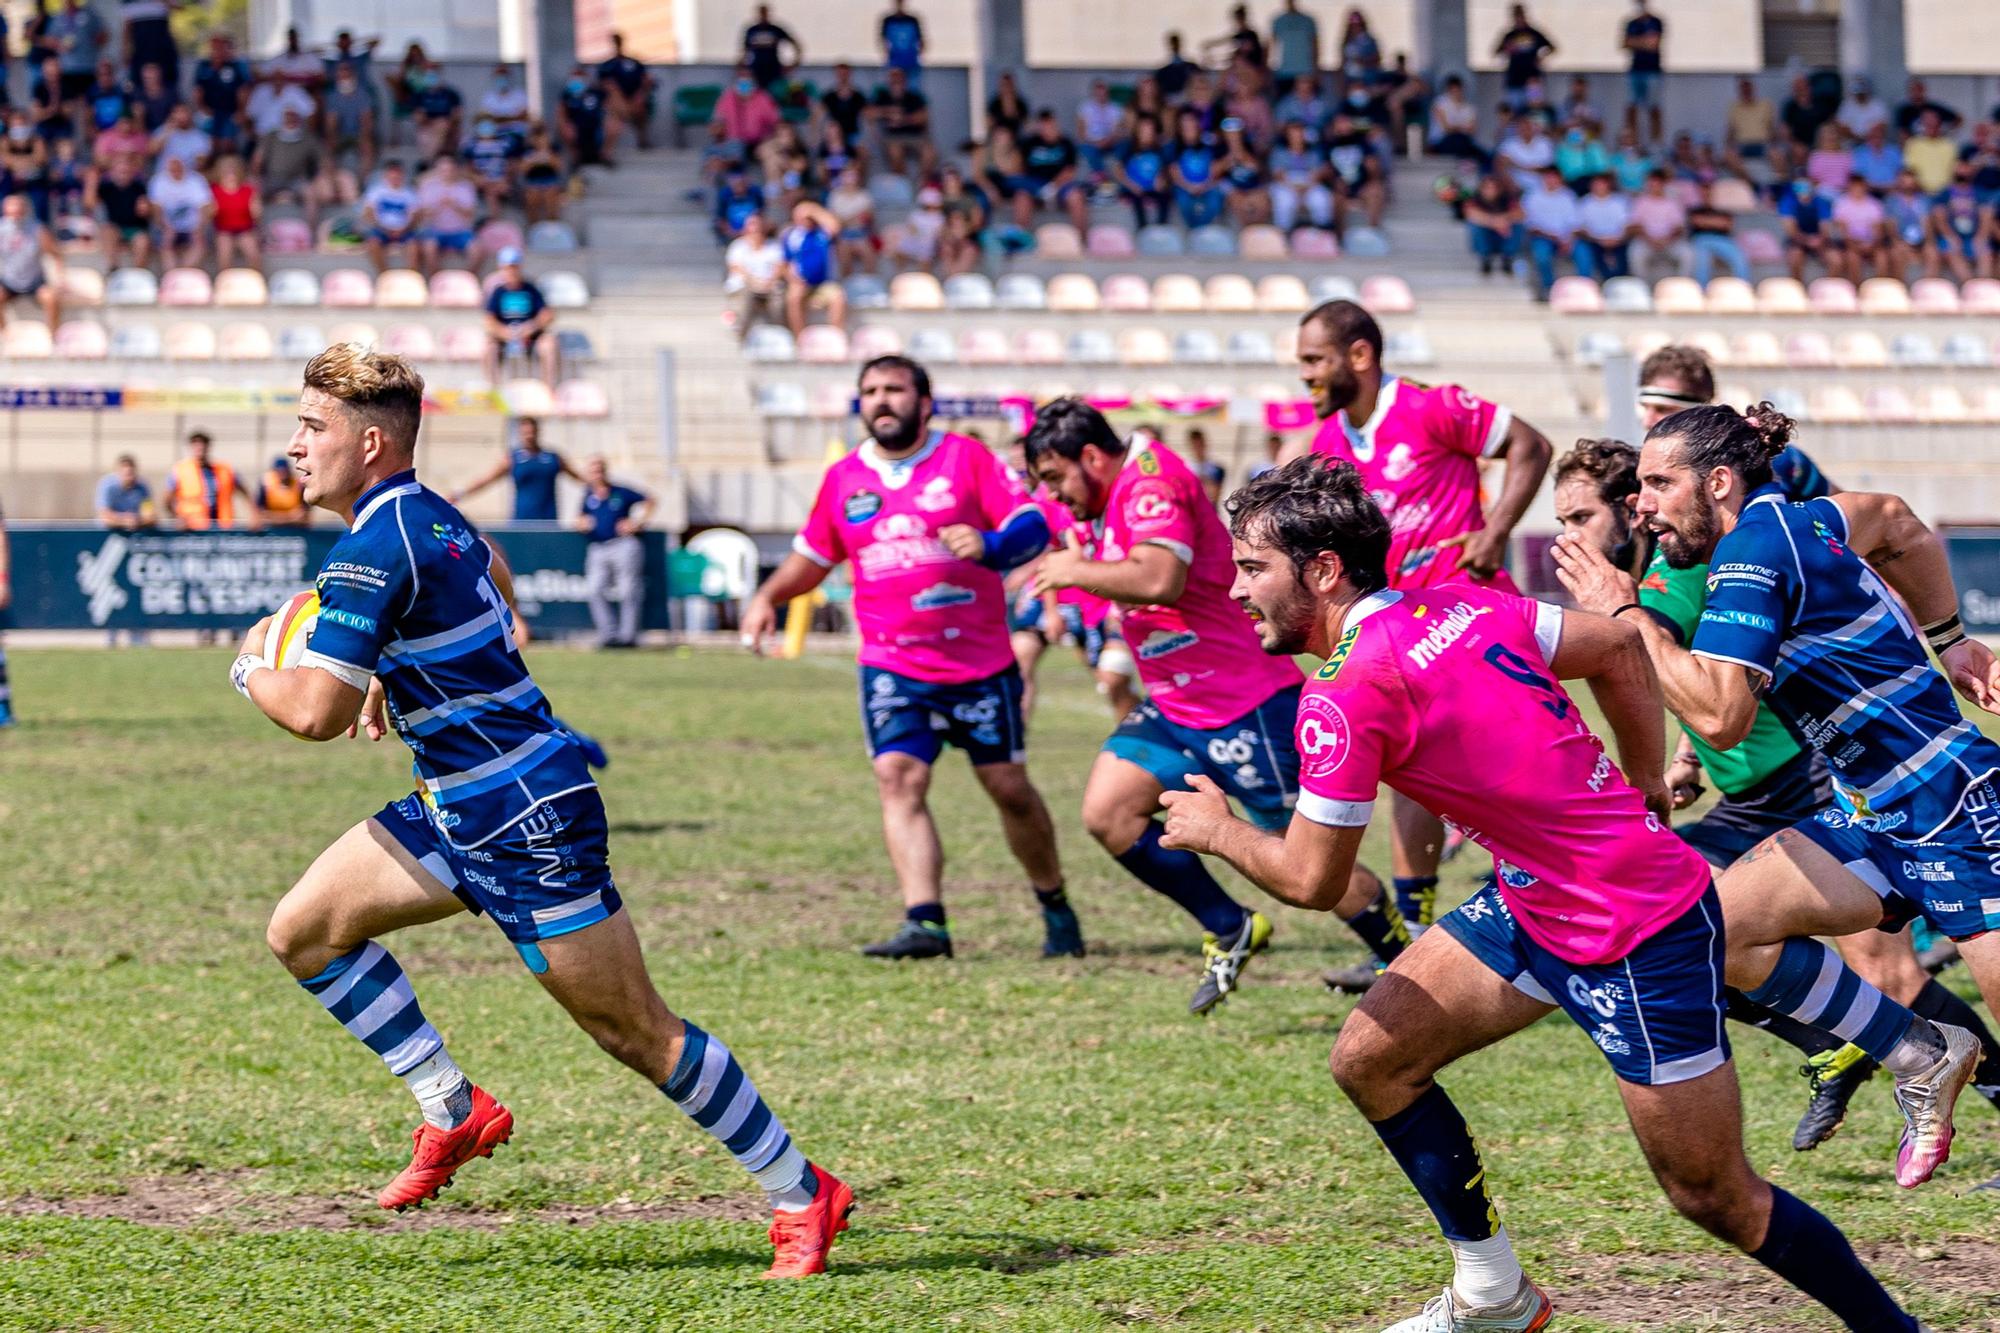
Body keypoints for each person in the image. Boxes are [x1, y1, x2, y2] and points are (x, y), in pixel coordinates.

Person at [1164, 453, 1933, 1333]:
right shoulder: (1456, 602)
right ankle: (1493, 1294)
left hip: (1631, 930)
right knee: (1371, 1059)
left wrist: (1216, 828)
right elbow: (1613, 647)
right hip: (1537, 902)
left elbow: (1311, 879)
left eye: (1253, 568)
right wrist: (1644, 782)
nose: (1234, 589)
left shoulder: (1341, 695)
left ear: (1323, 571)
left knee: (1715, 1195)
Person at [231, 344, 852, 1274]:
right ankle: (453, 1106)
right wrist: (397, 671)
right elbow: (497, 579)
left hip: (526, 817)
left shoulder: (371, 545)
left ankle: (805, 1190)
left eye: (311, 427)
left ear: (369, 442)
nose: (293, 445)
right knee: (305, 931)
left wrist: (249, 667)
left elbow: (313, 713)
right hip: (457, 803)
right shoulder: (427, 517)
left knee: (635, 1030)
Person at [1552, 401, 2000, 1193]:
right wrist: (1951, 637)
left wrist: (1624, 613)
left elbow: (1723, 716)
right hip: (1872, 814)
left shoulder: (1752, 553)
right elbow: (1895, 520)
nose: (1642, 502)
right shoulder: (1802, 518)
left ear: (1717, 481)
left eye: (1659, 482)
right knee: (1711, 933)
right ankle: (1922, 1054)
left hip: (1953, 807)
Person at [1025, 408, 1406, 1013]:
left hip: (1244, 703)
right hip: (1176, 704)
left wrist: (1076, 572)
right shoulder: (1103, 502)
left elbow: (1159, 579)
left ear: (1091, 459)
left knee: (1309, 864)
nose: (1053, 494)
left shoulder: (1149, 481)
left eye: (1055, 477)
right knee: (1108, 812)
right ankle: (1230, 925)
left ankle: (1401, 957)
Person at [740, 355, 1078, 962]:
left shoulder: (967, 460)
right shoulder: (844, 478)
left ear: (925, 402)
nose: (881, 400)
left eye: (894, 389)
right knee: (899, 778)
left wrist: (993, 545)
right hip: (892, 665)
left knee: (1009, 788)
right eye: (870, 391)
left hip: (979, 665)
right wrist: (768, 595)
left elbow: (1032, 524)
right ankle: (926, 923)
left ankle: (1054, 902)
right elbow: (813, 557)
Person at [1300, 299, 1553, 959]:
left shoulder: (1431, 405)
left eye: (1315, 360)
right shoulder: (1329, 444)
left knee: (1516, 773)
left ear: (1360, 355)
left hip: (1468, 622)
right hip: (1397, 637)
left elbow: (1531, 444)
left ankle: (1558, 906)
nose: (1306, 377)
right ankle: (1415, 938)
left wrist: (1495, 531)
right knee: (1411, 777)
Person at [575, 456, 652, 650]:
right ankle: (608, 635)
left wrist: (637, 523)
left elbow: (650, 500)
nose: (597, 474)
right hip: (598, 546)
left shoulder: (620, 492)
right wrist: (581, 523)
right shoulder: (588, 495)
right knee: (595, 589)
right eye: (593, 471)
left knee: (628, 590)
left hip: (623, 545)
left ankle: (628, 636)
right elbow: (580, 517)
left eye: (600, 470)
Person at [450, 417, 578, 523]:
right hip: (522, 520)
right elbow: (486, 480)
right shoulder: (513, 458)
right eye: (525, 433)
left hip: (548, 520)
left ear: (538, 432)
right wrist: (459, 494)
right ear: (520, 434)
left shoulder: (552, 458)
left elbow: (578, 476)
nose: (529, 436)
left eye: (532, 432)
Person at [779, 200, 846, 337]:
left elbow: (835, 226)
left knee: (838, 297)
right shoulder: (791, 235)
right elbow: (784, 264)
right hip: (801, 283)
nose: (806, 219)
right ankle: (800, 338)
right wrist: (793, 279)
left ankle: (835, 337)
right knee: (793, 297)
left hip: (823, 282)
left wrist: (813, 210)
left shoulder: (821, 233)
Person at [165, 431, 256, 531]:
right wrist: (178, 518)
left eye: (203, 444)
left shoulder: (225, 469)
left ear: (208, 446)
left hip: (222, 527)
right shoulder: (181, 470)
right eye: (196, 444)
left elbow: (245, 491)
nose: (200, 448)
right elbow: (167, 500)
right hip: (192, 528)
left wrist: (254, 514)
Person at [0, 193, 61, 334]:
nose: (16, 211)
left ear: (25, 209)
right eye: (12, 207)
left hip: (35, 281)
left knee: (51, 299)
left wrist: (60, 278)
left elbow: (55, 255)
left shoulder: (38, 229)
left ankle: (53, 338)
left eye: (19, 207)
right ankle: (4, 336)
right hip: (10, 281)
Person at [1521, 163, 1580, 299]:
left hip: (1567, 238)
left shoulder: (1569, 196)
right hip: (1542, 237)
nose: (1551, 181)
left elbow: (1575, 223)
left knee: (1584, 253)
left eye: (1554, 178)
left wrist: (1568, 240)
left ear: (1560, 179)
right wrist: (1551, 236)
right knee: (1542, 254)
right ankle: (1549, 289)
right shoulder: (1532, 196)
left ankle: (1586, 289)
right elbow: (1530, 225)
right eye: (1548, 177)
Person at [723, 210, 785, 334]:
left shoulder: (774, 246)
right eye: (752, 224)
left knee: (779, 301)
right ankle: (742, 333)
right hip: (746, 285)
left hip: (768, 285)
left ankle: (778, 332)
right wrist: (753, 281)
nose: (755, 229)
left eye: (758, 225)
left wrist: (769, 282)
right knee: (747, 297)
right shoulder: (738, 246)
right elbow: (735, 267)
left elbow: (780, 267)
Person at [416, 156, 479, 273]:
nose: (447, 173)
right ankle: (436, 280)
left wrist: (455, 205)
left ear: (455, 170)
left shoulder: (466, 187)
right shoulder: (428, 187)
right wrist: (438, 206)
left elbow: (470, 214)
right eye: (443, 170)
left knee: (477, 249)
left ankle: (469, 278)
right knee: (429, 248)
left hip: (460, 230)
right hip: (435, 230)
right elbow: (422, 214)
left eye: (450, 169)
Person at [89, 153, 151, 269]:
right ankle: (113, 268)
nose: (124, 169)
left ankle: (138, 273)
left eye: (127, 166)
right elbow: (90, 203)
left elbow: (146, 211)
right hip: (115, 229)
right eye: (120, 166)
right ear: (112, 170)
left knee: (142, 241)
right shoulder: (106, 187)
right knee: (108, 230)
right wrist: (92, 181)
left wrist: (146, 208)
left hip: (135, 229)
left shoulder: (140, 187)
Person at [869, 66, 932, 178]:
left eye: (899, 79)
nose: (896, 82)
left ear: (905, 81)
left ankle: (922, 184)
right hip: (893, 138)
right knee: (895, 152)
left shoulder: (913, 97)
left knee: (929, 152)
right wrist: (889, 112)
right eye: (894, 79)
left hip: (914, 137)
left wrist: (903, 119)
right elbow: (870, 113)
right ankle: (904, 184)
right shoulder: (883, 97)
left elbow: (923, 117)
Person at [598, 33, 657, 151]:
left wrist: (639, 95)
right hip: (616, 102)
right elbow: (604, 84)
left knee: (640, 107)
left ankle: (643, 140)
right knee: (615, 105)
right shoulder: (607, 65)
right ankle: (607, 150)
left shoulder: (633, 63)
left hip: (635, 100)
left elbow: (646, 80)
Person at [1684, 180, 1750, 286]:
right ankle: (1702, 291)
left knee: (1740, 257)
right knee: (1702, 261)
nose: (1707, 194)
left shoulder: (1723, 209)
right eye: (1704, 192)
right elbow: (1696, 221)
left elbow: (1727, 225)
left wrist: (1706, 222)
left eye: (1709, 191)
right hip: (1701, 239)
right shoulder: (1695, 209)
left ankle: (1743, 287)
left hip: (1723, 240)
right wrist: (1716, 222)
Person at [1493, 4, 1554, 113]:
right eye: (1517, 17)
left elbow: (1552, 47)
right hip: (1514, 80)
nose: (1519, 19)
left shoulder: (1534, 33)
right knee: (1515, 113)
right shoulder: (1509, 36)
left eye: (1521, 16)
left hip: (1533, 80)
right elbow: (1496, 52)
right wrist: (1507, 50)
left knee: (1536, 111)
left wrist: (1541, 57)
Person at [362, 160, 420, 272]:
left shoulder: (409, 193)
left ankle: (412, 277)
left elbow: (414, 216)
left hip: (404, 230)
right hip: (381, 229)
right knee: (373, 243)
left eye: (398, 175)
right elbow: (369, 213)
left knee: (414, 246)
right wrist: (383, 228)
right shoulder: (376, 191)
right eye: (392, 175)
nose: (395, 178)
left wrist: (403, 229)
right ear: (386, 176)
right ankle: (384, 274)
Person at [1463, 173, 1523, 278]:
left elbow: (1520, 214)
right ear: (1481, 188)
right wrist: (1495, 222)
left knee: (1518, 225)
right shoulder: (1475, 199)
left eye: (1493, 188)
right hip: (1486, 237)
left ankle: (1507, 257)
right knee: (1474, 225)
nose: (1490, 190)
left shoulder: (1507, 199)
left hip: (1503, 236)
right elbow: (1471, 214)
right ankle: (1485, 257)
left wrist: (1503, 220)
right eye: (1487, 187)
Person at [1620, 0, 1664, 144]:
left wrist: (1636, 42)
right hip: (1636, 71)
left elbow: (1653, 44)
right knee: (1632, 107)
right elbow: (1625, 43)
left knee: (1654, 107)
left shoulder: (1656, 21)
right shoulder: (1632, 23)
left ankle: (1655, 143)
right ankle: (1632, 142)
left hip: (1652, 71)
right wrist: (1644, 42)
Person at [1777, 175, 1835, 282]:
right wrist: (1806, 240)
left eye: (1805, 185)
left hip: (1819, 239)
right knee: (1794, 257)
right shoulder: (1787, 202)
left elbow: (1825, 228)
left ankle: (1826, 289)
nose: (1803, 188)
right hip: (1798, 240)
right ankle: (1798, 289)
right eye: (1799, 185)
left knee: (1836, 260)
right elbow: (1791, 229)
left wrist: (1819, 240)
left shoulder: (1821, 202)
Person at [740, 5, 799, 92]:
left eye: (765, 13)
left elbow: (796, 45)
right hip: (756, 69)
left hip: (774, 69)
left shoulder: (776, 30)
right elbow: (745, 51)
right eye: (761, 13)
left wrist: (794, 63)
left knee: (774, 94)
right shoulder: (752, 30)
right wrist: (742, 67)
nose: (763, 16)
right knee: (754, 93)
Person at [1724, 78, 1776, 173]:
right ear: (1740, 91)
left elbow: (1771, 129)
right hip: (1742, 146)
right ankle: (1752, 184)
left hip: (1762, 145)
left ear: (1753, 89)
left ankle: (1777, 186)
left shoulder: (1765, 105)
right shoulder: (1734, 108)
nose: (1746, 91)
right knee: (1728, 157)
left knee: (1778, 156)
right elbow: (1730, 131)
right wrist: (1729, 148)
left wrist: (1774, 145)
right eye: (1743, 88)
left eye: (1748, 88)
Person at [96, 454, 155, 530]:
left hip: (136, 534)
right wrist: (124, 520)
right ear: (117, 472)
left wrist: (136, 520)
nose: (128, 477)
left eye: (131, 473)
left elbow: (150, 516)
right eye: (125, 473)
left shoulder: (142, 487)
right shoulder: (107, 485)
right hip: (107, 535)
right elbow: (105, 516)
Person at [1269, 0, 1318, 84]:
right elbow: (1272, 45)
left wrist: (1315, 68)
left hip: (1305, 70)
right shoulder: (1278, 21)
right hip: (1284, 71)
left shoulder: (1308, 21)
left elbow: (1315, 45)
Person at [879, 0, 923, 88]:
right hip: (894, 61)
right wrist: (887, 56)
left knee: (912, 89)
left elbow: (921, 40)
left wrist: (918, 55)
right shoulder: (888, 20)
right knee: (893, 88)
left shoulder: (912, 20)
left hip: (911, 61)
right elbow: (883, 41)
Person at [1155, 32, 1197, 101]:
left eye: (1176, 43)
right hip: (1170, 101)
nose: (1175, 46)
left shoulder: (1192, 67)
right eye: (1172, 44)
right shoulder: (1163, 72)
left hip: (1190, 99)